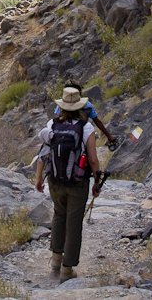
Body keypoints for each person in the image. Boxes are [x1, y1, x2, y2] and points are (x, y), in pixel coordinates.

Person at [35, 86, 103, 281]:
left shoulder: (52, 124)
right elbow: (93, 161)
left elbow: (43, 154)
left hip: (55, 181)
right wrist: (96, 182)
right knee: (74, 223)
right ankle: (67, 269)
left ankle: (56, 259)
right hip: (78, 183)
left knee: (58, 215)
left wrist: (39, 178)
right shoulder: (86, 127)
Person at [53, 80, 117, 149]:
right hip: (82, 137)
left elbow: (55, 120)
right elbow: (97, 121)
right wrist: (109, 136)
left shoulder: (60, 106)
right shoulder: (87, 105)